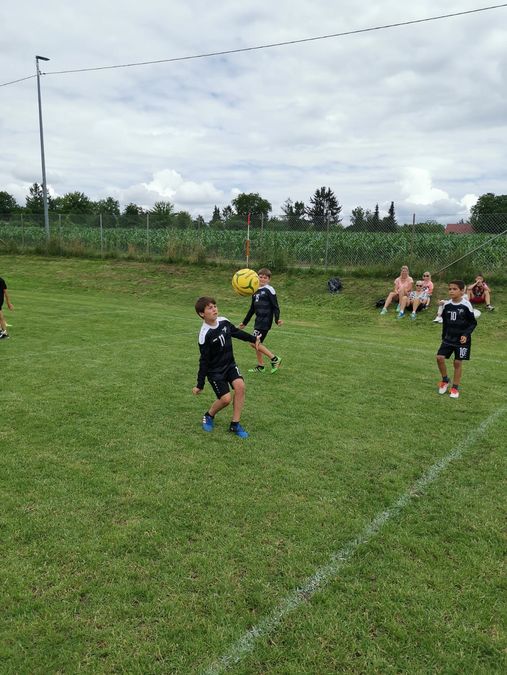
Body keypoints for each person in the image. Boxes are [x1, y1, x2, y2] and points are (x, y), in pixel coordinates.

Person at [192, 296, 276, 438]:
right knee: (225, 399)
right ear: (202, 314)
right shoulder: (204, 335)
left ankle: (235, 424)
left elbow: (236, 332)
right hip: (215, 371)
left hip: (230, 365)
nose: (214, 309)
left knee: (240, 386)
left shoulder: (224, 321)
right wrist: (200, 384)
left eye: (215, 306)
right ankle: (209, 415)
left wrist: (253, 339)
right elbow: (204, 361)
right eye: (210, 308)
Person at [436, 280, 477, 399]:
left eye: (454, 289)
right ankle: (445, 380)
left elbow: (473, 323)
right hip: (448, 338)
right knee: (439, 358)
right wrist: (443, 336)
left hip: (462, 340)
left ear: (462, 291)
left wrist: (466, 334)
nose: (451, 291)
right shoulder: (447, 305)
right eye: (450, 289)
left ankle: (455, 388)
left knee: (457, 362)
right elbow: (445, 323)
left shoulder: (466, 305)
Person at [239, 267, 283, 374]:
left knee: (253, 342)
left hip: (265, 321)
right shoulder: (254, 290)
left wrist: (277, 319)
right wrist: (244, 323)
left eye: (265, 277)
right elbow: (252, 309)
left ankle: (274, 359)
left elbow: (275, 306)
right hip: (258, 321)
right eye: (261, 277)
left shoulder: (269, 289)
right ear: (256, 278)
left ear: (269, 280)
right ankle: (261, 366)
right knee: (258, 343)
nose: (262, 279)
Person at [0, 275, 14, 339]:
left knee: (0, 316)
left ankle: (5, 333)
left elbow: (6, 292)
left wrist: (9, 303)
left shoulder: (1, 281)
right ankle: (3, 332)